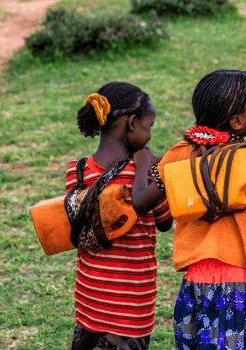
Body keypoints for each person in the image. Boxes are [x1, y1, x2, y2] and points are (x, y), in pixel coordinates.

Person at [131, 70, 246, 350]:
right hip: (245, 283)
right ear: (238, 122)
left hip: (196, 284)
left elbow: (142, 202)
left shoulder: (179, 155)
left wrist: (143, 160)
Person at [66, 82, 173, 350]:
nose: (150, 135)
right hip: (130, 309)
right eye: (150, 126)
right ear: (132, 123)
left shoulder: (77, 171)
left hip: (89, 303)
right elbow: (165, 222)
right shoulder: (150, 173)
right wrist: (146, 168)